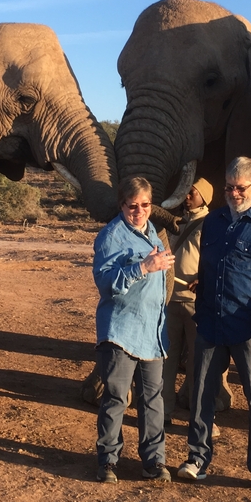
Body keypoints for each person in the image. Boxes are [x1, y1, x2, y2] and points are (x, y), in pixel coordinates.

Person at [178, 157, 251, 490]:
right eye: (229, 187)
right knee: (201, 395)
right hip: (210, 324)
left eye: (240, 188)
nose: (234, 193)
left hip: (250, 329)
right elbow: (209, 268)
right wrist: (202, 288)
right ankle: (197, 459)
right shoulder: (212, 222)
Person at [93, 176, 175, 484]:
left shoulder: (153, 233)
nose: (139, 211)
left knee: (153, 399)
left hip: (152, 332)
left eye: (145, 205)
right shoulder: (110, 237)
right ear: (121, 205)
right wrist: (143, 268)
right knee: (116, 398)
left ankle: (154, 461)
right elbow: (105, 284)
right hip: (121, 331)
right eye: (132, 206)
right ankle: (107, 461)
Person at [162, 177, 212, 424]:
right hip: (170, 299)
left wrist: (205, 279)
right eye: (186, 192)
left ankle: (199, 418)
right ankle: (162, 413)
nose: (187, 196)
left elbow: (217, 262)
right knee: (166, 360)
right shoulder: (175, 222)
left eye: (193, 192)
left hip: (195, 304)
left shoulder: (211, 225)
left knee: (197, 363)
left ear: (205, 197)